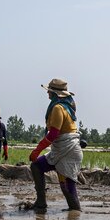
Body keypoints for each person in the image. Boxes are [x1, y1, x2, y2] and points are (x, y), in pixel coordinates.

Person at [28, 79, 83, 211]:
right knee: (36, 167)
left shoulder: (58, 108)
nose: (47, 92)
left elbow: (53, 134)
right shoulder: (64, 106)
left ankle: (75, 213)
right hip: (62, 148)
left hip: (68, 150)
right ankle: (41, 202)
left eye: (49, 91)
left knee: (67, 186)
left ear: (55, 93)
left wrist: (37, 150)